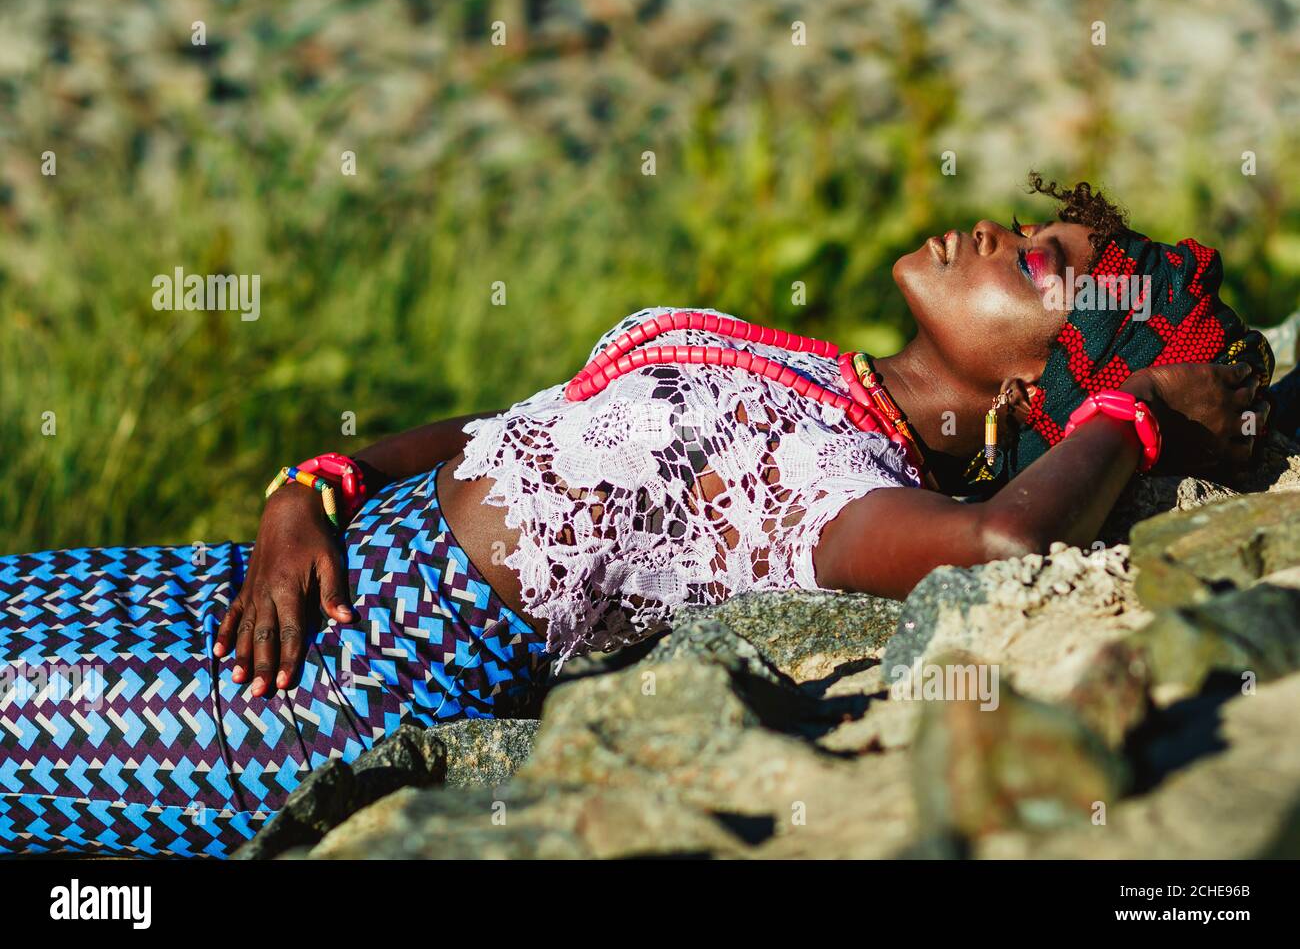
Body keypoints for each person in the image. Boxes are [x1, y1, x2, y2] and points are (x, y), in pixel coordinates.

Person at [0, 176, 1273, 857]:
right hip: (276, 572)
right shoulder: (816, 369)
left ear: (1037, 384)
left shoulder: (842, 491)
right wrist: (316, 481)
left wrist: (1140, 409)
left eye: (1037, 266)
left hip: (321, 681)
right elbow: (511, 424)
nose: (997, 230)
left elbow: (1004, 543)